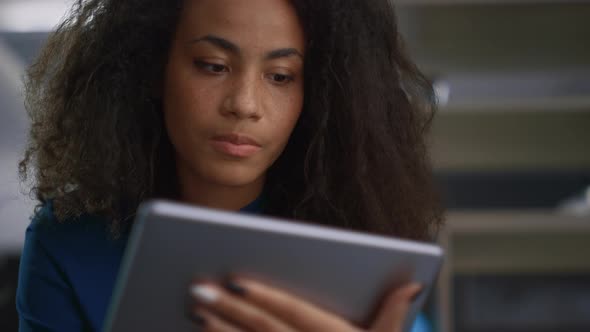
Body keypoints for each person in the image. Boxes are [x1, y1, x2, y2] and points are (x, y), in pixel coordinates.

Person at [16, 0, 443, 331]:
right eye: (213, 66)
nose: (244, 104)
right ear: (150, 69)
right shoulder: (68, 245)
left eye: (280, 76)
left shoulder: (362, 250)